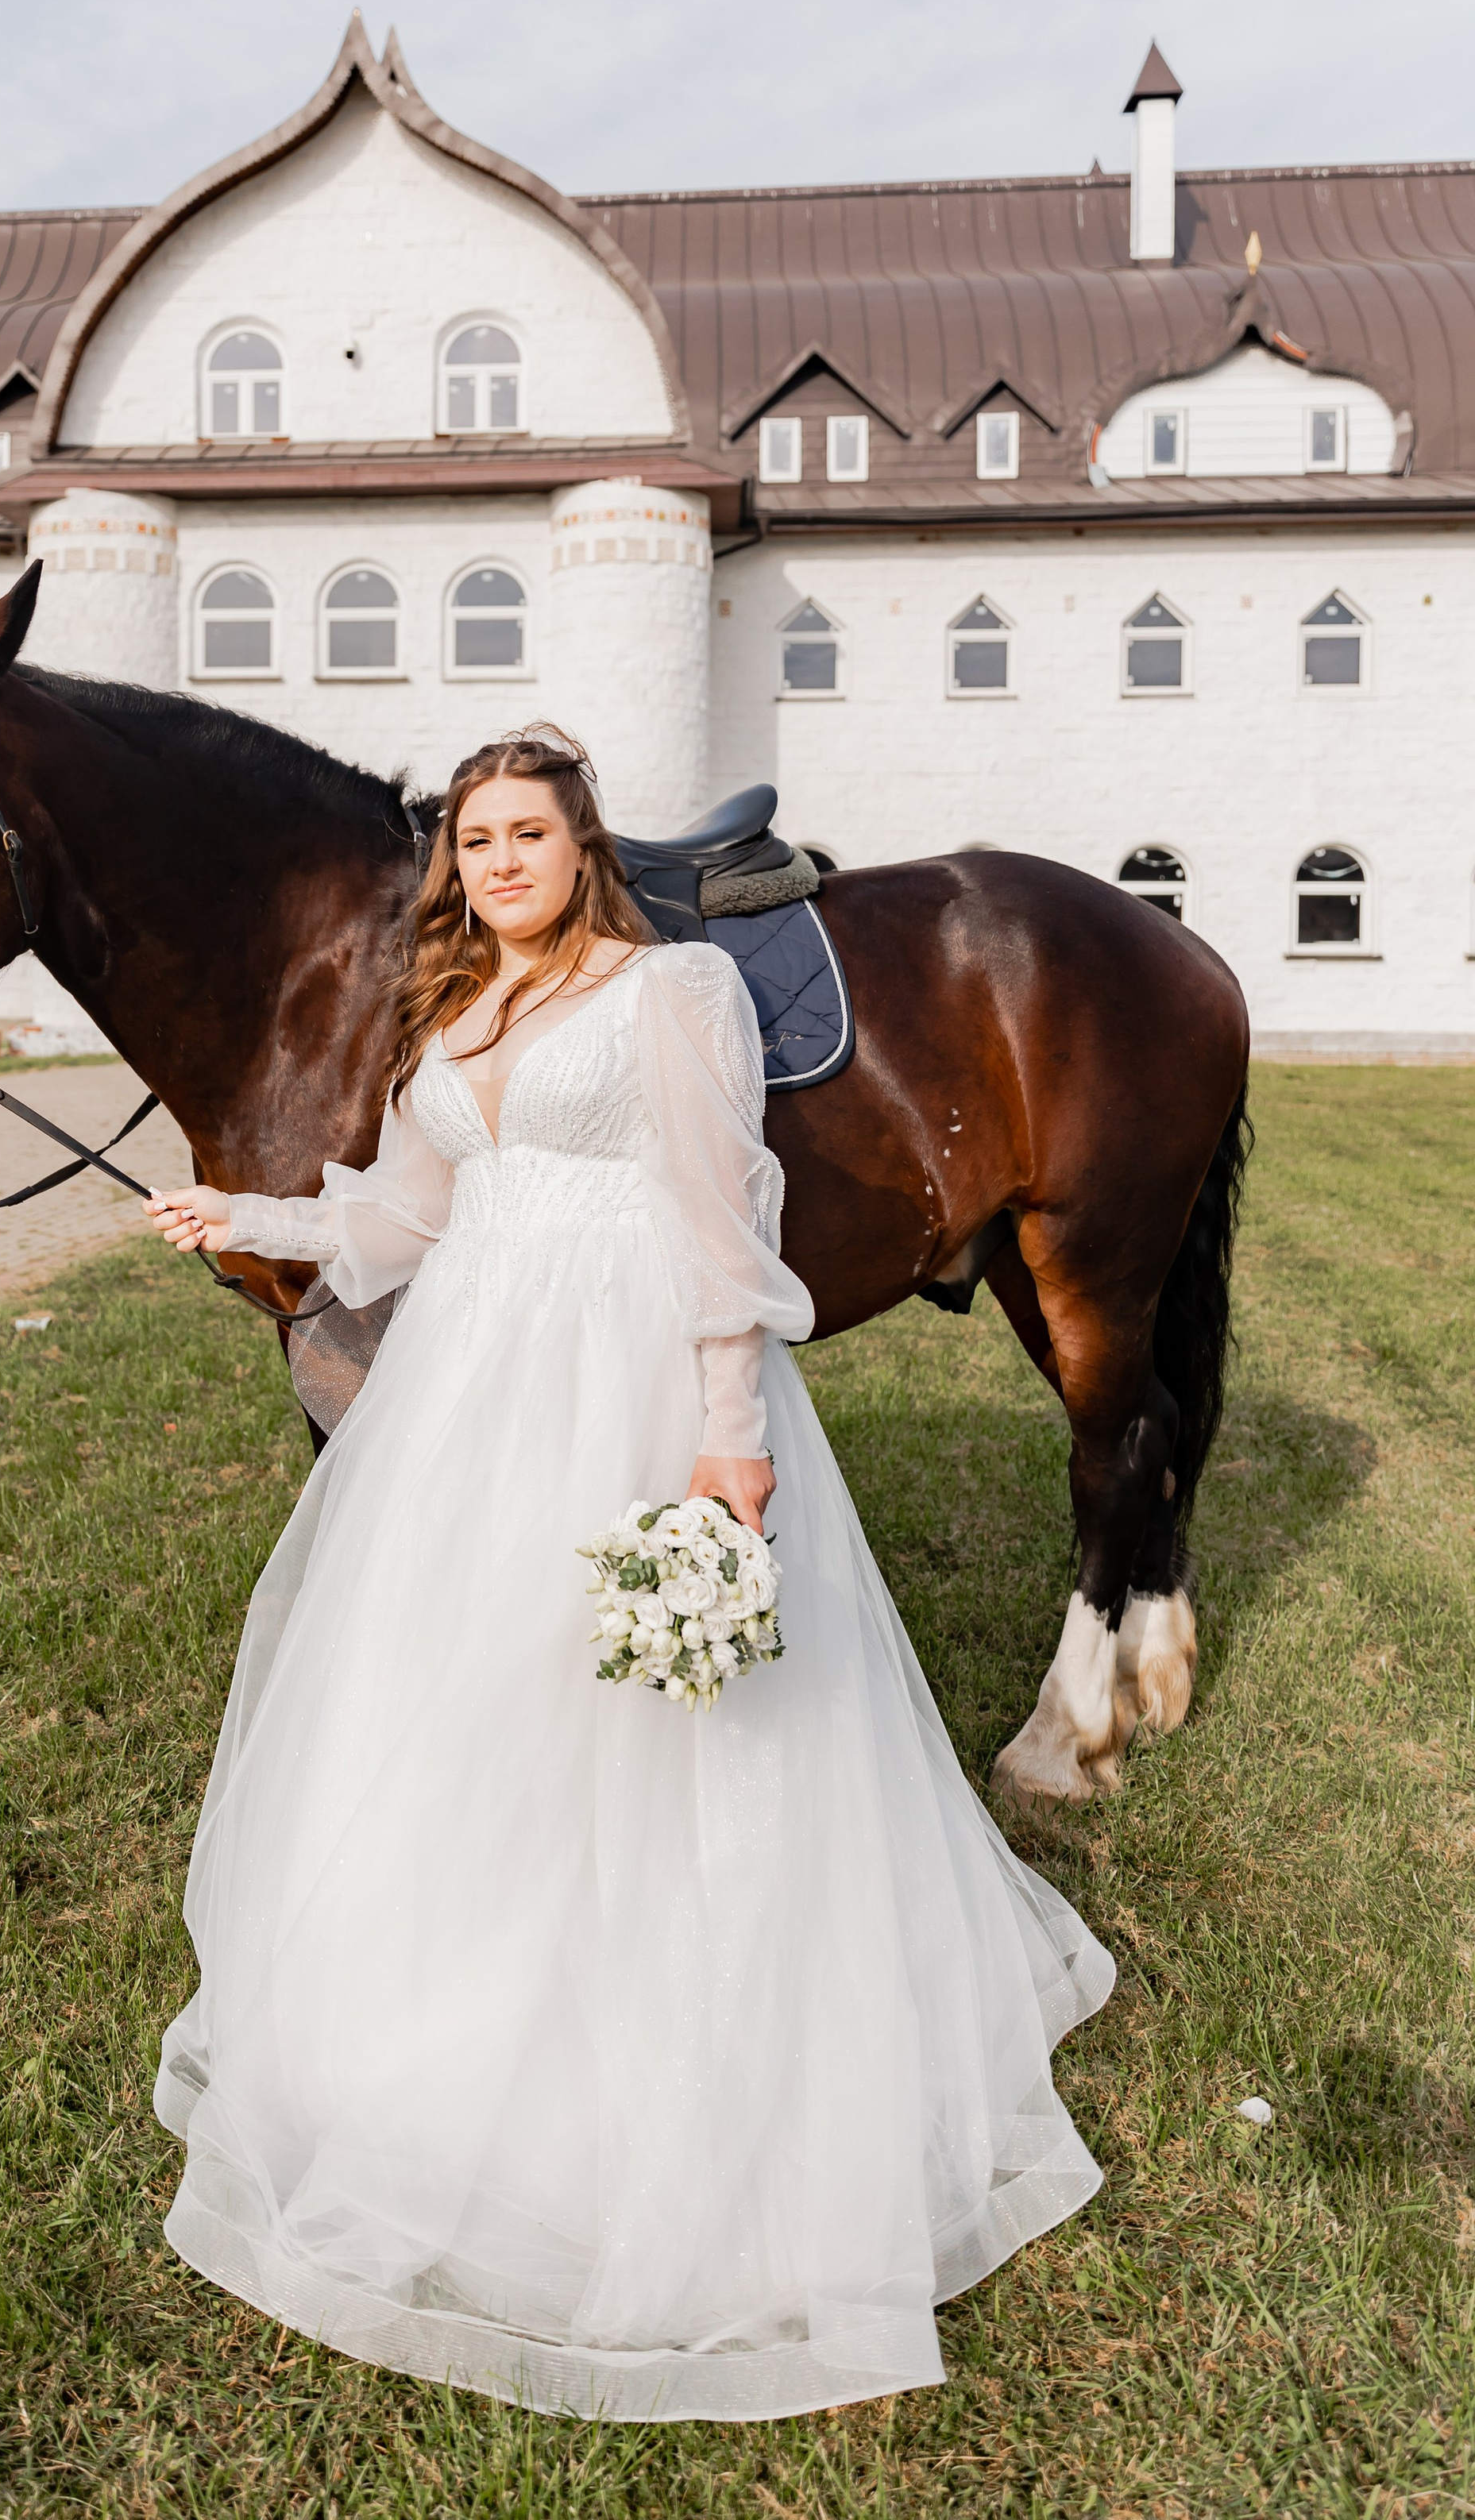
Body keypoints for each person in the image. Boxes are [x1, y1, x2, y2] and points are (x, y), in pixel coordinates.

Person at [143, 724, 1112, 2423]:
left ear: (581, 847)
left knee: (655, 1715)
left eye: (526, 832)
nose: (498, 860)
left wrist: (727, 1438)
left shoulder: (671, 1000)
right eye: (474, 839)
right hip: (473, 1389)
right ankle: (439, 2027)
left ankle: (686, 2052)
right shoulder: (457, 1014)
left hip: (632, 1373)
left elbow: (716, 1218)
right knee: (465, 1691)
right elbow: (411, 1220)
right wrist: (257, 1221)